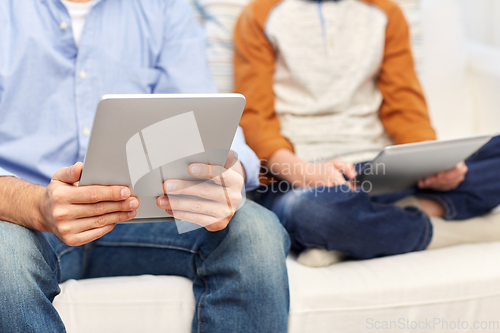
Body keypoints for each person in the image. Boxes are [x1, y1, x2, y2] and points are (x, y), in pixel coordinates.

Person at [0, 0, 291, 332]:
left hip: (146, 212)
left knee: (255, 231)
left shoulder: (164, 8)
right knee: (4, 257)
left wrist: (228, 174)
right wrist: (36, 205)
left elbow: (205, 114)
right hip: (23, 220)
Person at [234, 0, 500, 266]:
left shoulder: (386, 13)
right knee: (313, 213)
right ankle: (436, 226)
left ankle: (361, 230)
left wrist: (434, 167)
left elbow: (406, 110)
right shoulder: (259, 16)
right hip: (299, 179)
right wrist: (310, 175)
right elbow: (256, 125)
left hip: (379, 169)